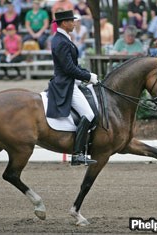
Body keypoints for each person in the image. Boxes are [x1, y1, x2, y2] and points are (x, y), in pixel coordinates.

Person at [46, 10, 98, 166]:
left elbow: (73, 66)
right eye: (72, 21)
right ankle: (77, 154)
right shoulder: (60, 41)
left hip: (71, 81)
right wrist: (88, 77)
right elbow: (69, 68)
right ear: (64, 23)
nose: (75, 23)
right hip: (66, 84)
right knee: (88, 114)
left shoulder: (63, 38)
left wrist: (86, 73)